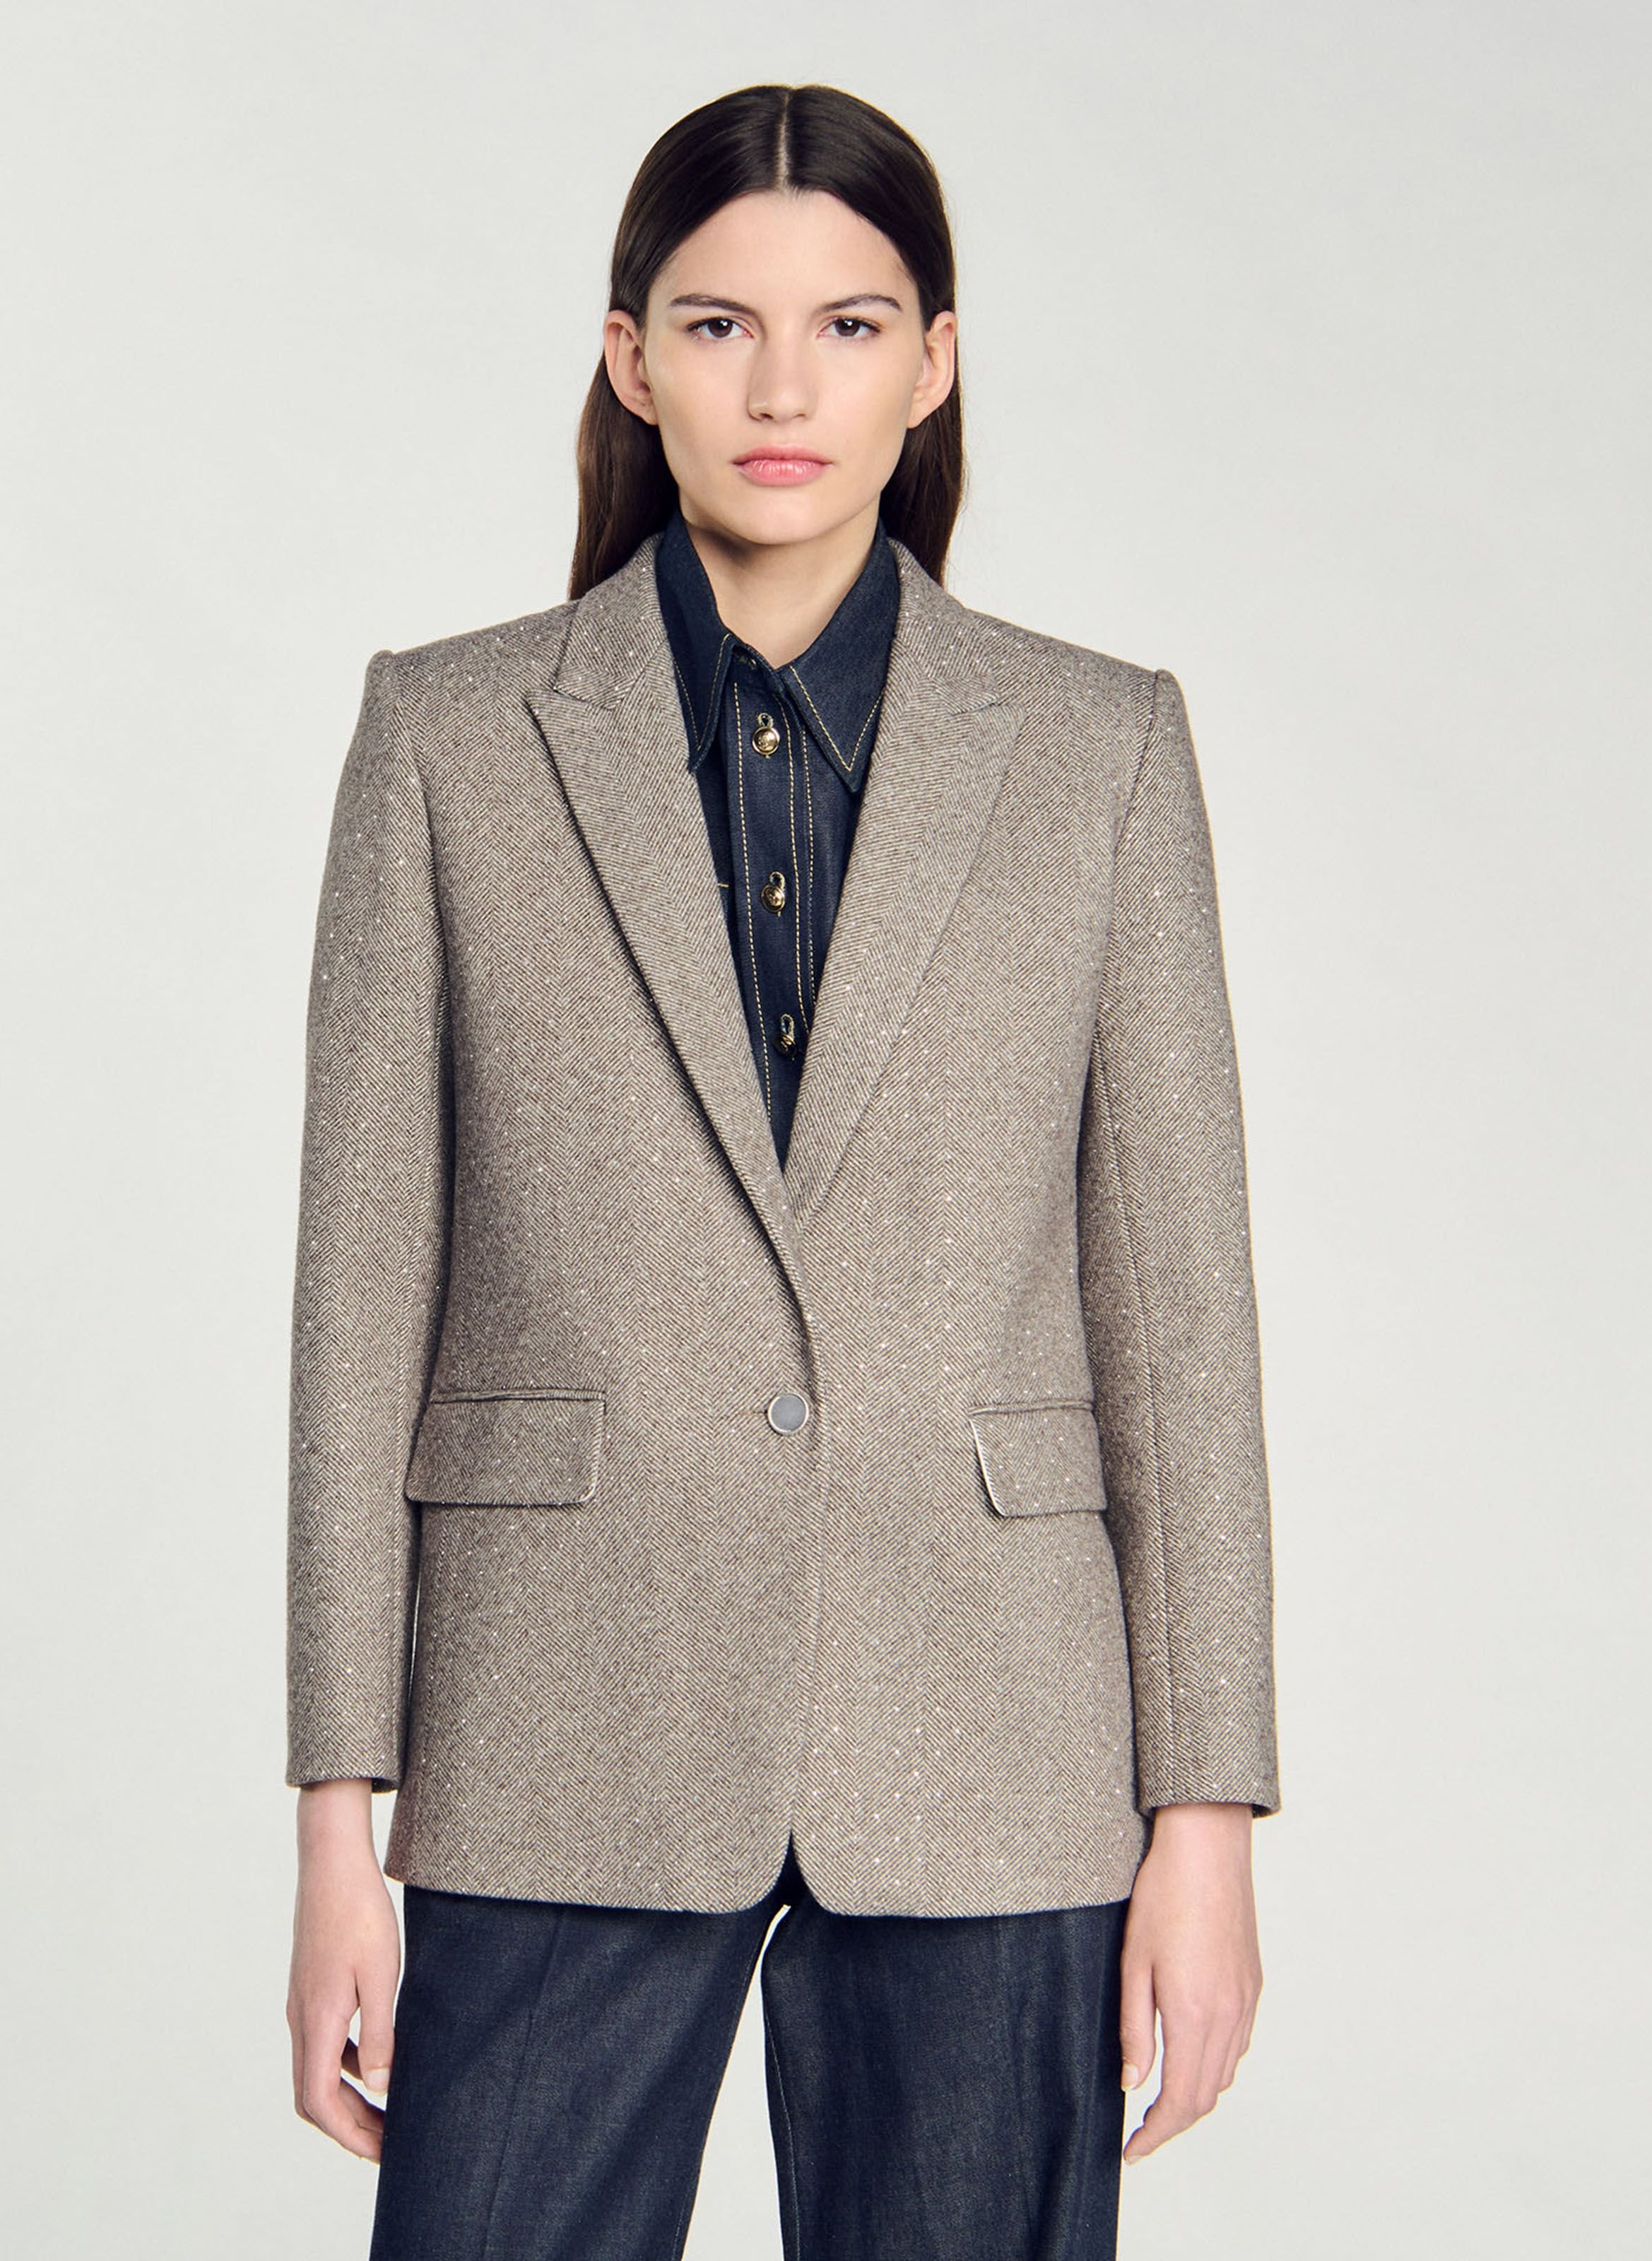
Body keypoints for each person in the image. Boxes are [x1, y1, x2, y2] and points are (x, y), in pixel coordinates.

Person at [285, 81, 1282, 2261]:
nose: (780, 388)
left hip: (994, 1730)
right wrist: (335, 1827)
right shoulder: (448, 737)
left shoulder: (1099, 749)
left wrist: (1202, 1817)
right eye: (717, 325)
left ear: (932, 364)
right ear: (630, 359)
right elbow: (360, 1303)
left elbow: (1179, 1320)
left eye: (848, 325)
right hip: (562, 1707)